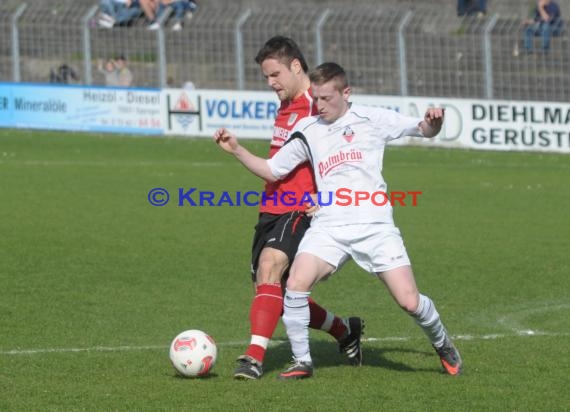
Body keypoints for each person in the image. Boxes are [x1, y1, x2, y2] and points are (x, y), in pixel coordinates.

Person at [214, 62, 463, 380]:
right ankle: (302, 361)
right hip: (329, 225)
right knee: (295, 284)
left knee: (409, 301)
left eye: (326, 98)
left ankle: (442, 343)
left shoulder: (373, 118)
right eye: (315, 98)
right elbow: (273, 170)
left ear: (346, 93)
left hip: (374, 225)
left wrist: (434, 122)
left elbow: (423, 130)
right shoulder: (308, 128)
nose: (319, 105)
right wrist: (236, 149)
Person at [226, 37, 364, 381]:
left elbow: (349, 146)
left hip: (300, 207)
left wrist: (332, 196)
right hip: (271, 206)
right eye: (266, 77)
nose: (271, 83)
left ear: (296, 67)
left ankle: (254, 358)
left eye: (275, 75)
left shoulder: (317, 104)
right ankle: (344, 330)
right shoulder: (285, 105)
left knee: (270, 267)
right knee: (282, 292)